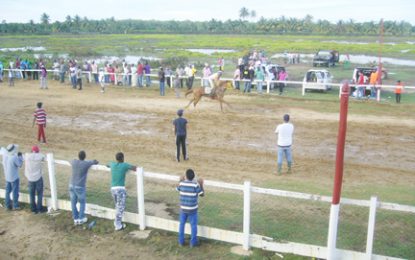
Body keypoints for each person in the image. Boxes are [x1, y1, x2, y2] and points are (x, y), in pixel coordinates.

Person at [108, 152, 137, 231]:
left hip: (113, 189)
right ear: (123, 158)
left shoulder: (112, 164)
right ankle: (118, 225)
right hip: (120, 189)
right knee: (120, 207)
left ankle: (117, 222)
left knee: (117, 206)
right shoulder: (124, 165)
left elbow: (108, 165)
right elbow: (135, 168)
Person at [177, 168, 204, 247]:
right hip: (192, 209)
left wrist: (180, 180)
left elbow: (177, 189)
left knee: (182, 224)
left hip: (183, 208)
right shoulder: (195, 184)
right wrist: (201, 184)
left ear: (185, 176)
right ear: (194, 177)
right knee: (193, 225)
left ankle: (181, 242)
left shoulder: (181, 183)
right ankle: (193, 242)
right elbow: (201, 194)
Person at [70, 150, 99, 225]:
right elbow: (95, 162)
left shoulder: (74, 162)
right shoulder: (86, 163)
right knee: (82, 202)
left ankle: (75, 218)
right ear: (84, 157)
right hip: (79, 186)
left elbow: (71, 160)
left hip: (71, 184)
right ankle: (81, 217)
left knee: (73, 202)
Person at [24, 145, 46, 214]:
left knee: (31, 194)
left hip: (30, 178)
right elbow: (43, 156)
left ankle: (33, 209)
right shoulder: (39, 156)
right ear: (37, 152)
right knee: (39, 193)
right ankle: (39, 209)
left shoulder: (27, 156)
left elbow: (27, 154)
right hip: (38, 177)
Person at [1, 144, 23, 210]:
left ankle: (7, 205)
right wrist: (20, 157)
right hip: (14, 177)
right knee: (15, 192)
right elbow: (20, 165)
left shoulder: (5, 156)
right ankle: (15, 206)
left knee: (7, 192)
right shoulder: (14, 157)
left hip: (7, 176)